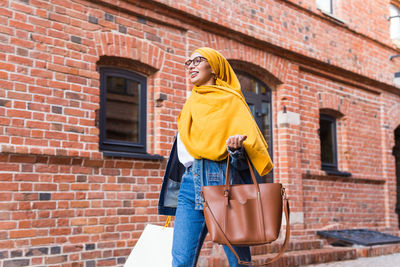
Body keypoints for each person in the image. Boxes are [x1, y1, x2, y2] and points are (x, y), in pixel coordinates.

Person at [158, 47, 273, 267]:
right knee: (180, 261)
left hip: (222, 180)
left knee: (239, 261)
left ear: (214, 67)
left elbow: (244, 160)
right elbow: (183, 153)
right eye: (188, 62)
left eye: (198, 60)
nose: (191, 65)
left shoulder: (231, 101)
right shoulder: (191, 102)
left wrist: (236, 150)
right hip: (189, 185)